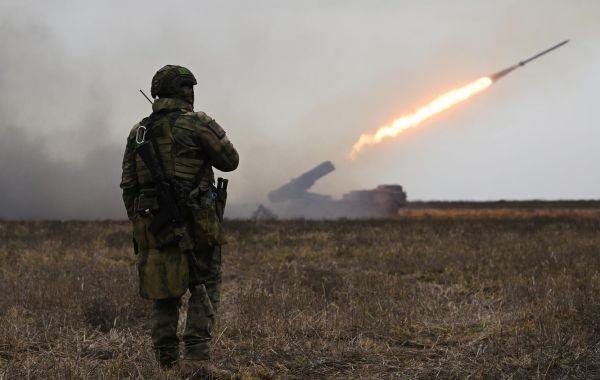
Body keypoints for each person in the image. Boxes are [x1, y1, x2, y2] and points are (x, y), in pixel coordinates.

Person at [120, 65, 239, 376]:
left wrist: (141, 221)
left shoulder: (139, 132)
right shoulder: (197, 123)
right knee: (203, 284)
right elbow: (230, 161)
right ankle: (197, 360)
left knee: (164, 290)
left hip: (154, 225)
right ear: (187, 90)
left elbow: (129, 185)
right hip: (198, 223)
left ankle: (165, 363)